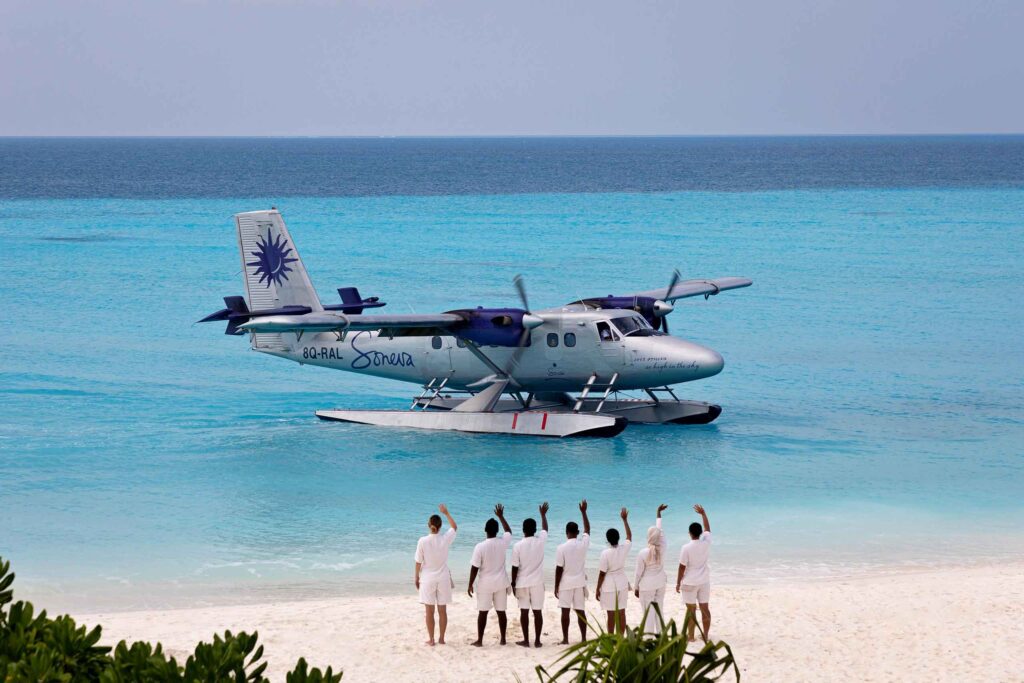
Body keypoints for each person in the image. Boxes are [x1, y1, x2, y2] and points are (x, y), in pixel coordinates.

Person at [468, 503, 513, 647]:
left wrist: (469, 584)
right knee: (501, 612)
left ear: (485, 530)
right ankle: (503, 639)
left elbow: (474, 567)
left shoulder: (480, 546)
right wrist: (501, 516)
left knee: (483, 612)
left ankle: (480, 640)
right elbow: (509, 531)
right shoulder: (502, 543)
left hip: (485, 584)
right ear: (497, 531)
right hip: (501, 583)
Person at [414, 503, 457, 646]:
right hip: (443, 578)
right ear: (440, 526)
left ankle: (431, 640)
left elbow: (418, 562)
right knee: (442, 611)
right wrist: (446, 512)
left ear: (428, 525)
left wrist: (416, 577)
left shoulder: (422, 541)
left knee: (429, 611)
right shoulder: (445, 539)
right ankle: (442, 639)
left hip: (427, 579)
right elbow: (454, 527)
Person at [510, 502, 549, 648]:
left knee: (524, 612)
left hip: (522, 582)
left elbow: (514, 567)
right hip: (537, 582)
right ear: (535, 530)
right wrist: (543, 515)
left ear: (523, 530)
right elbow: (545, 529)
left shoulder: (518, 546)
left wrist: (513, 584)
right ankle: (538, 640)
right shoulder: (540, 541)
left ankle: (526, 640)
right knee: (537, 612)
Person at [554, 499, 591, 645]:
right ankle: (583, 639)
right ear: (577, 532)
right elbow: (588, 529)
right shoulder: (583, 544)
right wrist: (584, 512)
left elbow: (559, 569)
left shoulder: (561, 548)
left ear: (566, 533)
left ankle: (565, 639)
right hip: (580, 582)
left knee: (565, 612)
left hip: (566, 583)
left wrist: (556, 586)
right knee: (580, 611)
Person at [675, 503, 713, 642]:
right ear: (700, 533)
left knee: (691, 610)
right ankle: (705, 635)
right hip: (704, 581)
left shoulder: (686, 547)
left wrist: (678, 582)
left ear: (690, 533)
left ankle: (690, 637)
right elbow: (708, 529)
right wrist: (703, 514)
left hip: (690, 582)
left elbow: (681, 567)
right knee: (705, 608)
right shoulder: (706, 542)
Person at [595, 507, 632, 634]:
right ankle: (621, 638)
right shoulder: (623, 548)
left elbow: (602, 573)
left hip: (609, 586)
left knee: (611, 614)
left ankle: (611, 638)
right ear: (618, 538)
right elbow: (629, 536)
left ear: (607, 539)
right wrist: (625, 520)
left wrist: (597, 588)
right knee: (622, 612)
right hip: (622, 583)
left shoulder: (605, 553)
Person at [634, 503, 668, 634]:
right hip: (660, 583)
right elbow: (661, 532)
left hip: (646, 586)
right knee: (659, 611)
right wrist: (659, 514)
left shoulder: (643, 552)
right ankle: (661, 636)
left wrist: (636, 587)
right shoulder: (663, 548)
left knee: (648, 615)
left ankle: (649, 639)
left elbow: (638, 573)